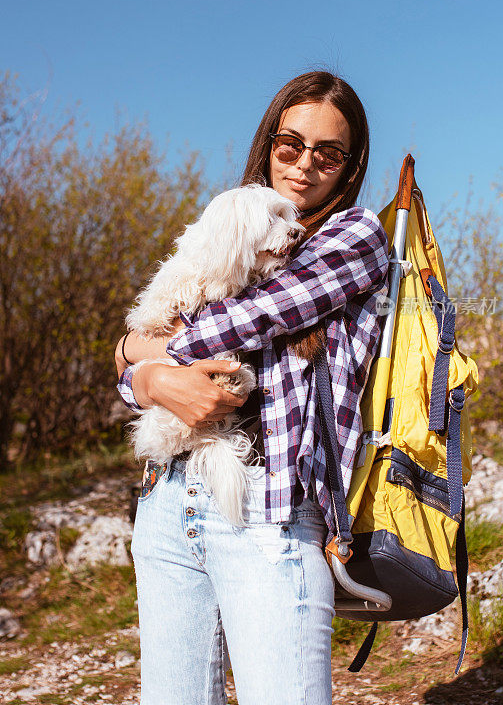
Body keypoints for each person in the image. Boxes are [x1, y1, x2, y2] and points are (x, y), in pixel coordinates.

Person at [115, 70, 389, 705]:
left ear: (349, 169)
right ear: (269, 144)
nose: (304, 166)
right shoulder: (231, 225)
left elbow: (250, 318)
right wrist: (152, 375)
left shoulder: (355, 238)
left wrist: (135, 353)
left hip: (269, 517)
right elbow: (144, 374)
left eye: (329, 153)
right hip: (168, 504)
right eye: (290, 145)